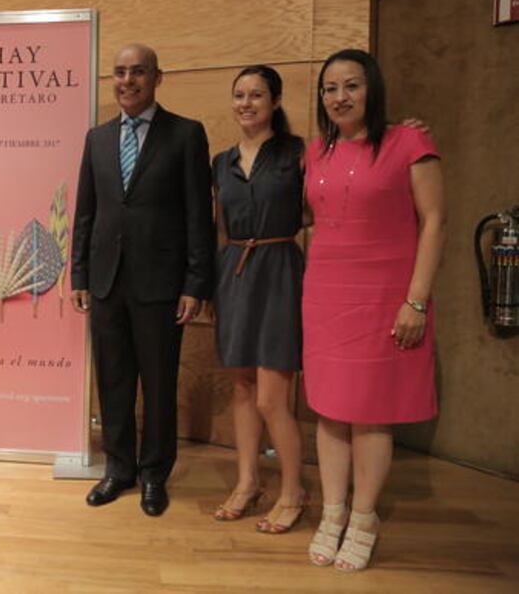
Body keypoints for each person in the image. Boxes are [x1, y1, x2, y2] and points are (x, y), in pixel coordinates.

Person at [303, 49, 445, 571]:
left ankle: (364, 517)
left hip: (386, 297)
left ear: (372, 89)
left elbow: (435, 222)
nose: (340, 97)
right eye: (330, 88)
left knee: (371, 413)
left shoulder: (410, 142)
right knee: (331, 409)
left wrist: (416, 300)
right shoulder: (315, 151)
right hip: (325, 295)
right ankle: (333, 513)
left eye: (352, 86)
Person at [71, 44, 215, 517]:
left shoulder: (186, 135)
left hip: (161, 284)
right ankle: (118, 469)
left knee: (157, 383)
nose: (127, 80)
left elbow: (199, 213)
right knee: (112, 381)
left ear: (157, 78)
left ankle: (155, 473)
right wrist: (79, 274)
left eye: (138, 72)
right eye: (119, 72)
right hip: (107, 281)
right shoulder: (97, 138)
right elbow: (86, 212)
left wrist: (196, 283)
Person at [210, 65, 306, 532]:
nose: (246, 103)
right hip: (234, 273)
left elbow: (313, 211)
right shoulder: (220, 160)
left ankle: (293, 491)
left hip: (279, 270)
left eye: (256, 95)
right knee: (243, 387)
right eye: (239, 95)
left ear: (275, 101)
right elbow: (221, 229)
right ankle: (247, 482)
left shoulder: (298, 153)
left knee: (273, 398)